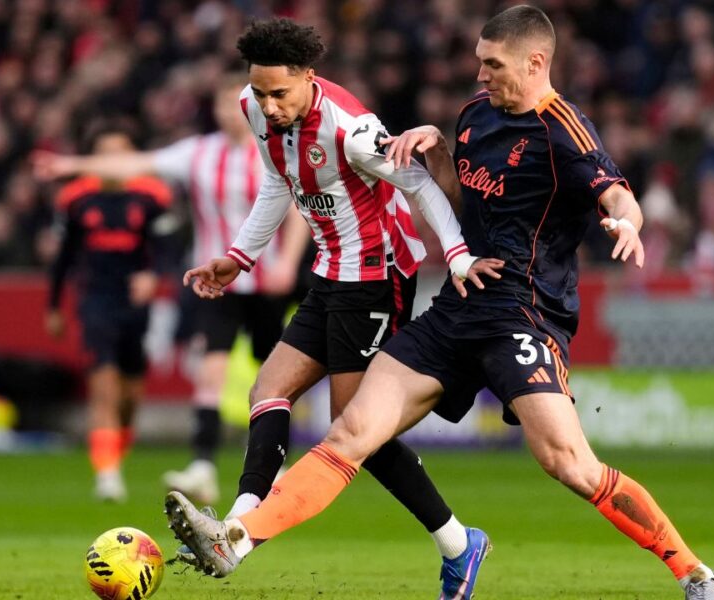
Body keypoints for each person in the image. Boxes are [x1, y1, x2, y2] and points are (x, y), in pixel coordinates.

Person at [166, 6, 714, 600]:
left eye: (493, 64)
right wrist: (436, 149)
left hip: (524, 313)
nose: (480, 74)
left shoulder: (564, 129)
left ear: (536, 62)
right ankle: (238, 539)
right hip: (459, 306)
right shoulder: (473, 117)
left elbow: (618, 196)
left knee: (570, 464)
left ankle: (696, 574)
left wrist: (627, 223)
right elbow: (459, 195)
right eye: (479, 61)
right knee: (350, 431)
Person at [170, 17, 503, 599]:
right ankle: (234, 526)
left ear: (308, 77)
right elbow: (278, 183)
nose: (268, 106)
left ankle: (458, 542)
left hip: (377, 278)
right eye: (262, 93)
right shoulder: (252, 106)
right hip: (330, 271)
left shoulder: (351, 130)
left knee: (355, 433)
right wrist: (238, 257)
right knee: (267, 390)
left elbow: (420, 185)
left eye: (281, 94)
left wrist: (455, 258)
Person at [34, 74, 308, 506]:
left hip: (265, 280)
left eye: (235, 104)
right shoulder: (198, 153)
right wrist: (71, 167)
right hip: (216, 281)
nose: (227, 113)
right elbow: (133, 163)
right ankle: (202, 464)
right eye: (220, 105)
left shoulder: (275, 150)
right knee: (210, 370)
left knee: (273, 377)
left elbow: (295, 207)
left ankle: (278, 461)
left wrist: (289, 263)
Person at [45, 124, 171, 502]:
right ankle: (108, 475)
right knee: (104, 387)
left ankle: (115, 453)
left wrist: (153, 276)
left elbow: (167, 249)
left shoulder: (153, 196)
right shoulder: (75, 199)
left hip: (135, 304)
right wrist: (53, 305)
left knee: (130, 396)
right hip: (95, 300)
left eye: (120, 152)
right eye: (104, 153)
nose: (113, 161)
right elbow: (63, 257)